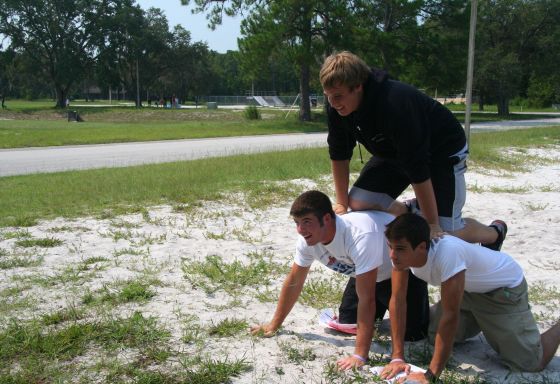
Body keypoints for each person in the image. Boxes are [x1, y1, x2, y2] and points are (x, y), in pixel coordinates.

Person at [319, 50, 507, 326]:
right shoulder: (337, 105)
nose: (333, 104)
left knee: (446, 231)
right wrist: (341, 203)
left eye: (338, 97)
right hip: (392, 153)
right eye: (328, 97)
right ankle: (409, 210)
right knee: (359, 200)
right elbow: (339, 153)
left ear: (358, 86)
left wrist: (431, 224)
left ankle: (494, 233)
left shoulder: (395, 103)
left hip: (441, 152)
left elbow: (418, 169)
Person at [250, 191, 429, 370]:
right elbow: (294, 281)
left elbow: (367, 299)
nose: (300, 230)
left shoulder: (359, 236)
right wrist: (274, 324)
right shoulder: (307, 239)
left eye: (306, 222)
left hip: (398, 268)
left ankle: (408, 207)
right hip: (362, 272)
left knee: (413, 333)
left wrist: (360, 355)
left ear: (327, 219)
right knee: (347, 321)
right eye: (297, 223)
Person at [381, 213, 560, 383]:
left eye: (400, 249)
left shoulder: (448, 253)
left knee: (529, 363)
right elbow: (397, 300)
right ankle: (483, 320)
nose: (392, 255)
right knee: (433, 336)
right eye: (390, 247)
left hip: (500, 292)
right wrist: (397, 357)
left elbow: (450, 316)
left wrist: (431, 375)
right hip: (466, 289)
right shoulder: (400, 256)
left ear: (421, 246)